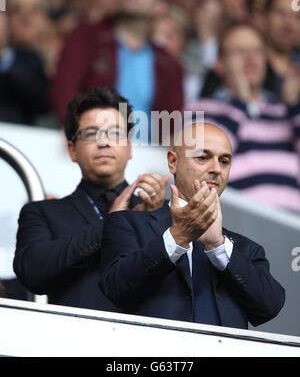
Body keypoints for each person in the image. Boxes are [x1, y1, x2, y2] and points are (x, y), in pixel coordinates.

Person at [99, 122, 285, 329]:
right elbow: (114, 288)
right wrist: (178, 236)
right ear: (173, 162)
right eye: (203, 157)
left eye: (224, 161)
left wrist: (218, 246)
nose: (216, 169)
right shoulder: (128, 224)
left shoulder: (245, 250)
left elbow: (270, 307)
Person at [13, 87, 169, 311]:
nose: (104, 142)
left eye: (115, 133)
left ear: (129, 147)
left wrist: (155, 219)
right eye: (91, 134)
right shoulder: (42, 213)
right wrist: (111, 223)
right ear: (72, 150)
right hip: (75, 340)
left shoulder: (161, 210)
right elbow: (31, 272)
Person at [185, 23, 300, 213]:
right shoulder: (201, 108)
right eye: (239, 51)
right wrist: (240, 101)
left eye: (257, 51)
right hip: (241, 226)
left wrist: (296, 106)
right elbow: (203, 161)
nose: (250, 57)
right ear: (219, 64)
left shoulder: (284, 111)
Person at [50, 0, 183, 129]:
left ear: (160, 6)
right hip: (93, 146)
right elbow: (65, 89)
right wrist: (75, 130)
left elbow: (171, 125)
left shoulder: (168, 64)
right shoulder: (85, 38)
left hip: (148, 152)